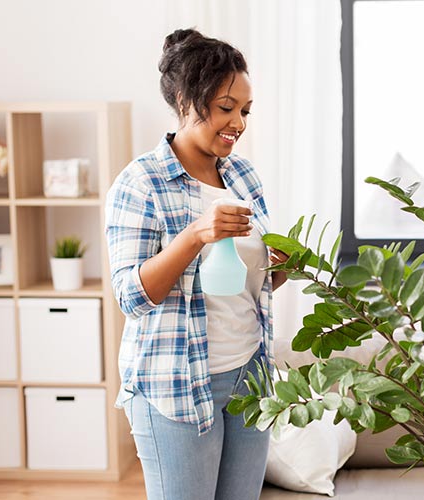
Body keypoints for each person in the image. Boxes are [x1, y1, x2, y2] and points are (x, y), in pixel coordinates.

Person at [105, 28, 289, 500]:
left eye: (245, 111)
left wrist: (282, 267)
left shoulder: (243, 176)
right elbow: (131, 297)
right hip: (175, 382)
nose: (239, 123)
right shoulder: (140, 183)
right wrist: (195, 234)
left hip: (249, 372)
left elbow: (249, 285)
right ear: (188, 100)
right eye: (227, 108)